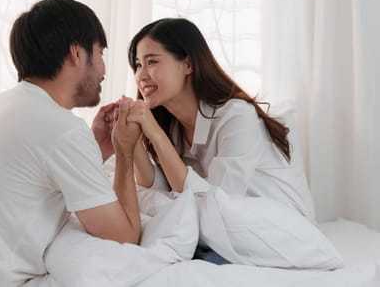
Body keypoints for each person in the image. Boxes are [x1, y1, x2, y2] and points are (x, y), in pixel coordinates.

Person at [0, 0, 142, 286]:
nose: (104, 69)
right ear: (76, 53)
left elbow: (36, 178)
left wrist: (97, 148)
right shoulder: (62, 130)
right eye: (100, 52)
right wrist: (125, 153)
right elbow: (124, 239)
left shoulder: (0, 107)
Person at [124, 18, 315, 263]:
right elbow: (166, 189)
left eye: (152, 62)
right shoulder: (173, 126)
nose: (141, 75)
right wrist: (134, 141)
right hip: (222, 232)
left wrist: (154, 133)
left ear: (188, 64)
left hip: (276, 233)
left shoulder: (236, 116)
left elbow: (216, 203)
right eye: (138, 65)